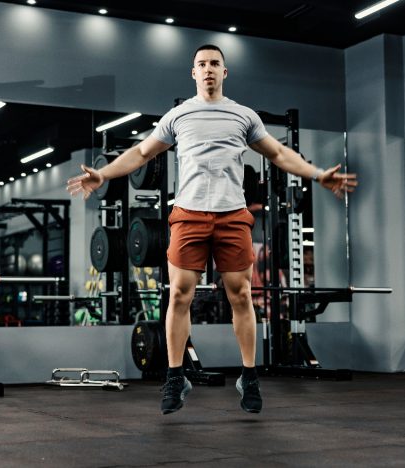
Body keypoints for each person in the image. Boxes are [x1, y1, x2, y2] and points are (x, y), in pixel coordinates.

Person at [67, 44, 357, 415]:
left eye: (214, 64)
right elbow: (142, 154)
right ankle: (175, 376)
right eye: (201, 64)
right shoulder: (178, 116)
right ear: (193, 73)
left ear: (225, 72)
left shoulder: (243, 116)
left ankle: (248, 376)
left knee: (240, 295)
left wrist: (317, 174)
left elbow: (279, 155)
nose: (208, 69)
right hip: (188, 214)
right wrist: (104, 173)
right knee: (178, 296)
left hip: (232, 215)